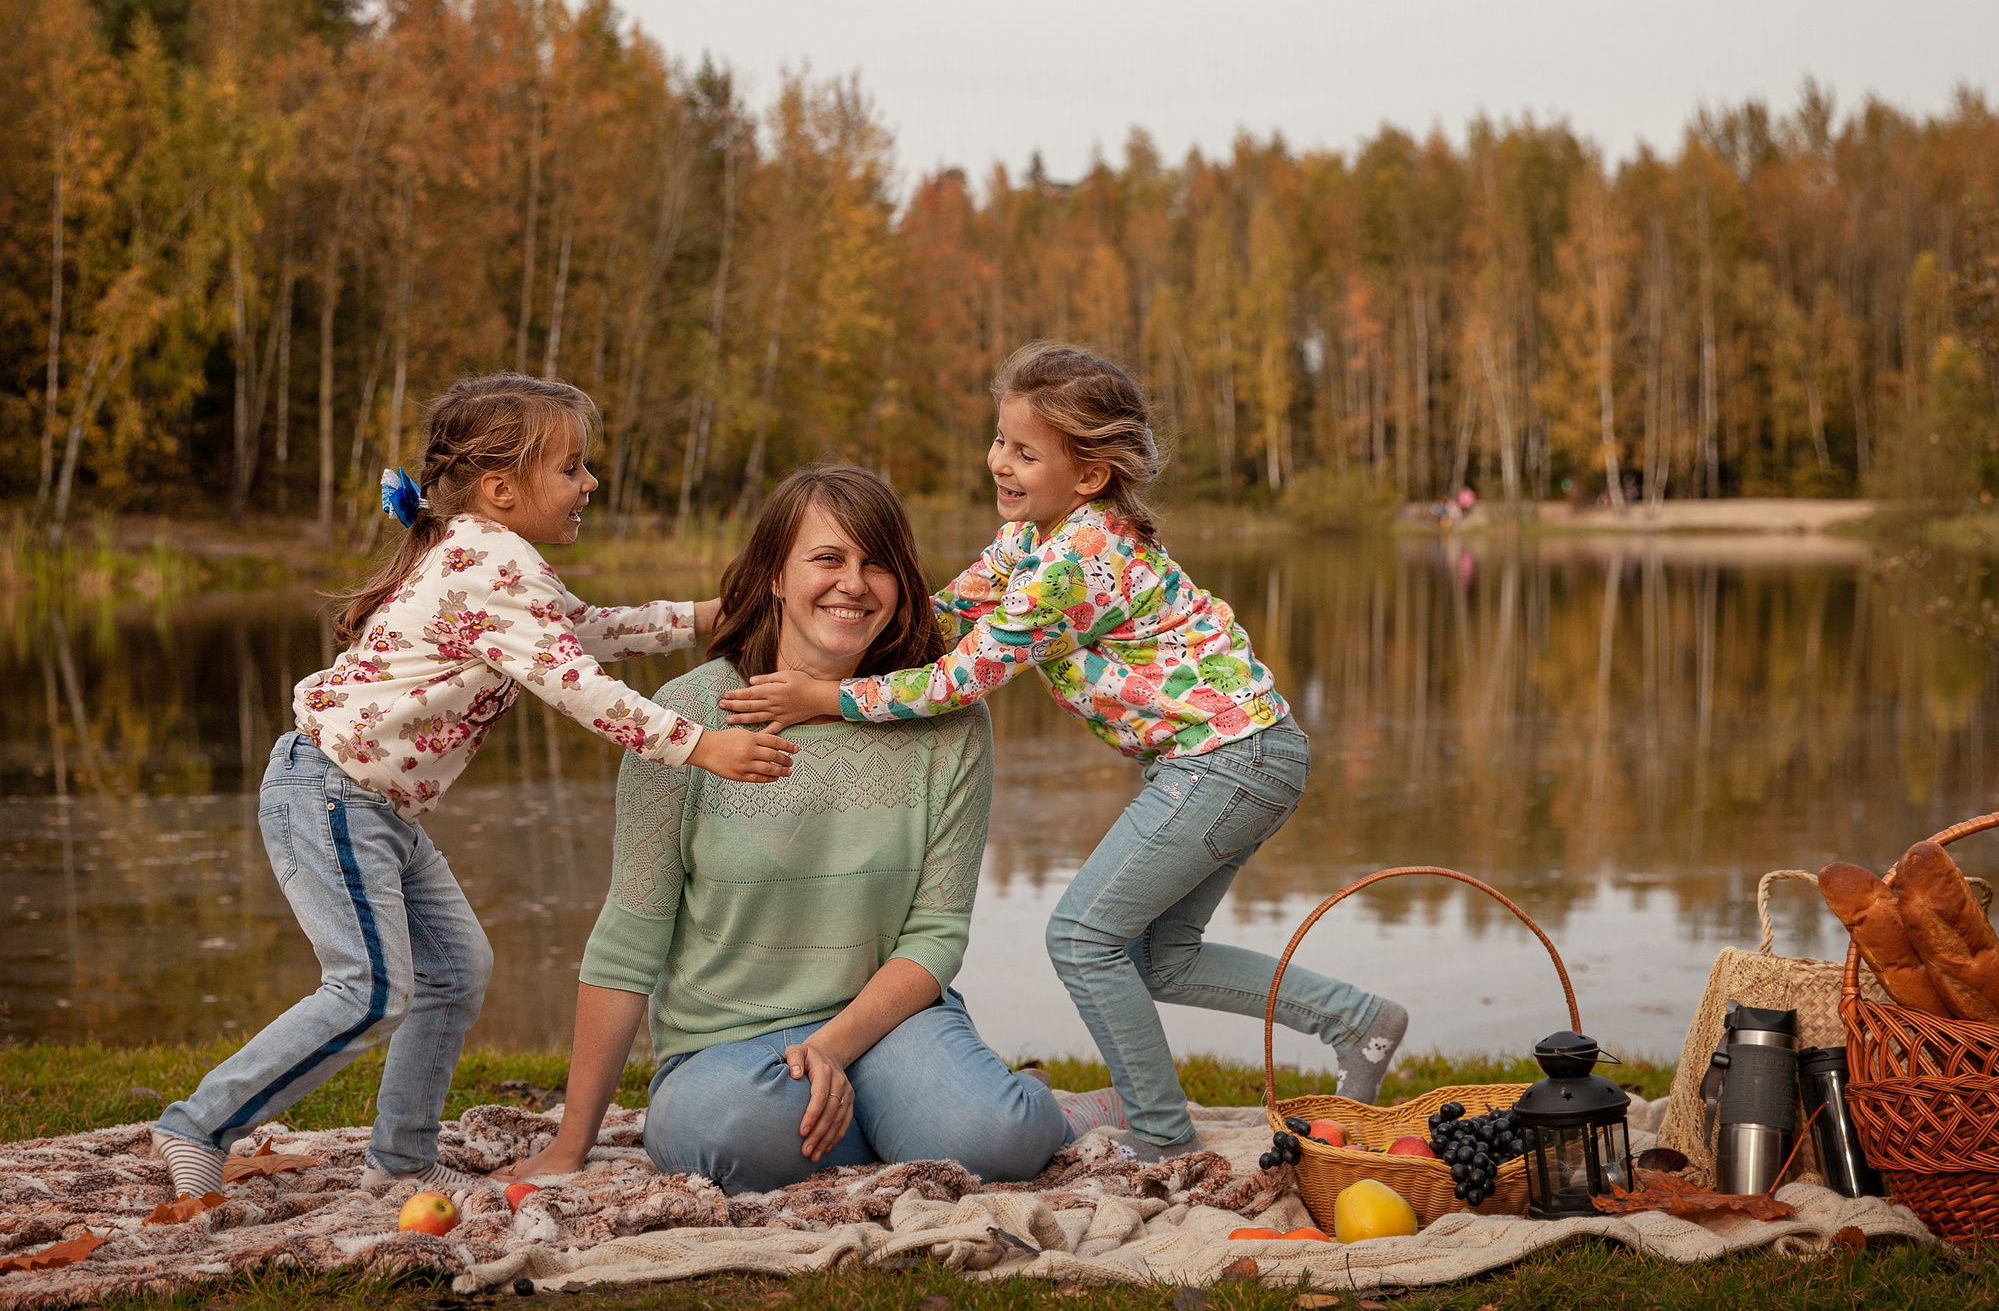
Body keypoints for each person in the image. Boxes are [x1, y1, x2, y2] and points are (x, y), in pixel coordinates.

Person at [721, 342, 1409, 1160]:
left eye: (1024, 451)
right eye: (1000, 440)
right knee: (1161, 957)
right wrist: (811, 610)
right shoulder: (1031, 541)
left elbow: (959, 677)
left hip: (1228, 759)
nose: (999, 463)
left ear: (1088, 475)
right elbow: (940, 614)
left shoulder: (1073, 563)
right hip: (1237, 755)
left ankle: (1162, 1132)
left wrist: (823, 696)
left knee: (1082, 936)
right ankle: (1357, 1022)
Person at [148, 374, 797, 1201]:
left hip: (374, 803)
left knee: (457, 968)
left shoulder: (490, 555)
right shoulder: (490, 563)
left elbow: (585, 631)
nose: (589, 484)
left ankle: (402, 1158)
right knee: (372, 988)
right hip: (334, 793)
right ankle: (199, 1124)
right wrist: (698, 743)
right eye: (572, 468)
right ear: (502, 489)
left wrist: (706, 615)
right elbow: (576, 681)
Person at [506, 466, 1073, 1196]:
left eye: (878, 564)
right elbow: (629, 936)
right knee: (722, 1135)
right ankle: (908, 1127)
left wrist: (831, 1049)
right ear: (775, 574)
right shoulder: (688, 716)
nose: (855, 584)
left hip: (888, 1027)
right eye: (828, 558)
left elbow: (936, 933)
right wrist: (569, 1145)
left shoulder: (949, 720)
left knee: (995, 1138)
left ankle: (1039, 1108)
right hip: (727, 1051)